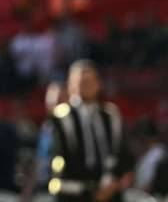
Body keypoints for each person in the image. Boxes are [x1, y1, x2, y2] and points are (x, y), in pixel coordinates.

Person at [45, 60, 135, 201]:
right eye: (81, 81)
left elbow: (122, 153)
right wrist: (92, 191)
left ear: (98, 84)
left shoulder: (110, 115)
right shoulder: (61, 117)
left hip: (110, 192)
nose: (86, 86)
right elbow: (58, 158)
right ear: (71, 85)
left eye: (90, 81)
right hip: (74, 194)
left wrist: (112, 183)